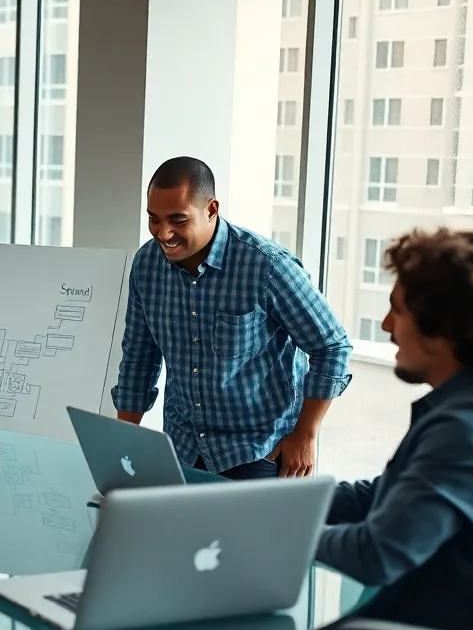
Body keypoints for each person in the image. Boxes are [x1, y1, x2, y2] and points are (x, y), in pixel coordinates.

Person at [73, 228, 473, 630]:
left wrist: (267, 530)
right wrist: (255, 504)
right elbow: (384, 495)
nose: (384, 326)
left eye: (397, 311)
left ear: (446, 328)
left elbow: (375, 553)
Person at [113, 157, 352, 480]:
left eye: (178, 220)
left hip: (259, 451)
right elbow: (139, 360)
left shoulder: (265, 266)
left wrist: (305, 435)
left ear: (211, 209)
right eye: (153, 219)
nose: (163, 233)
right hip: (183, 449)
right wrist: (122, 447)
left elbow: (332, 346)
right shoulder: (147, 266)